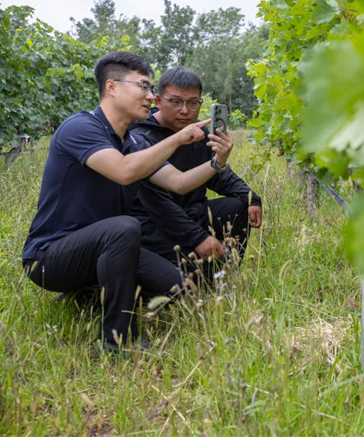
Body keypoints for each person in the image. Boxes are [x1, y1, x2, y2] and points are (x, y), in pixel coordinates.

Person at [21, 51, 232, 354]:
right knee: (124, 227)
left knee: (178, 287)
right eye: (143, 87)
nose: (150, 96)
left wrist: (217, 162)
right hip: (49, 257)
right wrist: (176, 139)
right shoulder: (80, 128)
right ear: (112, 87)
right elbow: (123, 171)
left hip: (104, 251)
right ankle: (118, 343)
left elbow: (178, 182)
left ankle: (88, 294)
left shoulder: (133, 142)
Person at [128, 66, 262, 281]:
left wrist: (251, 197)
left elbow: (219, 174)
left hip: (191, 214)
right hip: (154, 225)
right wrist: (198, 238)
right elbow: (159, 205)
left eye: (193, 103)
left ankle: (224, 275)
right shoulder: (140, 138)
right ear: (159, 101)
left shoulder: (199, 134)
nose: (185, 110)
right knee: (186, 283)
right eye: (175, 101)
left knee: (238, 206)